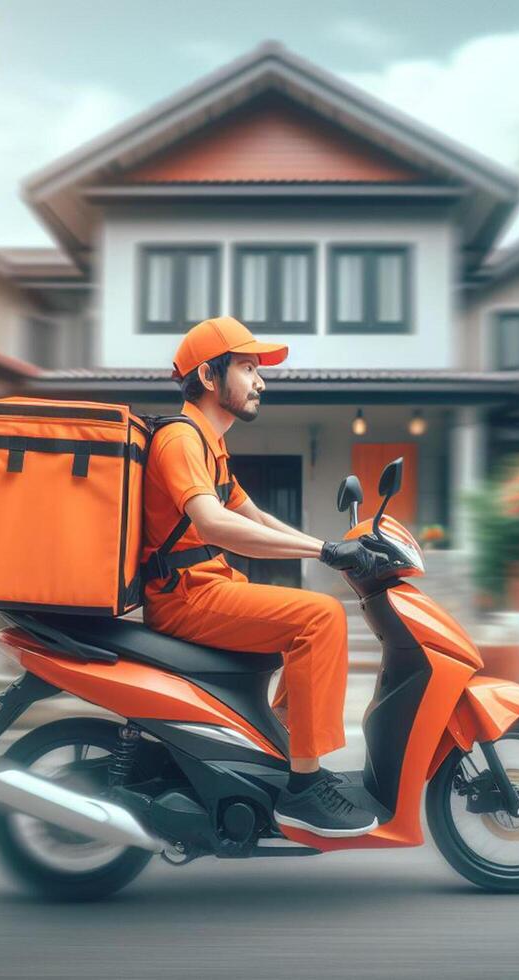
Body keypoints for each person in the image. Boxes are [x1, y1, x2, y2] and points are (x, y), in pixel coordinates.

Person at [140, 315, 381, 837]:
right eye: (248, 368)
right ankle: (303, 785)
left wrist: (334, 546)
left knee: (304, 620)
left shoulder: (211, 444)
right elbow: (214, 523)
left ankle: (282, 758)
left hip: (212, 589)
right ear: (209, 377)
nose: (261, 381)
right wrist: (323, 551)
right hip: (188, 598)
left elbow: (254, 517)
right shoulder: (180, 440)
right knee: (319, 618)